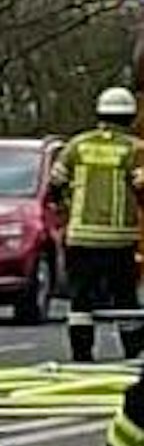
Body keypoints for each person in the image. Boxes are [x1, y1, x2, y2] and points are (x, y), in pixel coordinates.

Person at [48, 87, 144, 363]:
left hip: (80, 238)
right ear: (130, 116)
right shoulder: (135, 150)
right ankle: (133, 352)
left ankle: (81, 354)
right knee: (125, 298)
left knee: (81, 301)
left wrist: (65, 206)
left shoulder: (77, 145)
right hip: (120, 239)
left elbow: (55, 184)